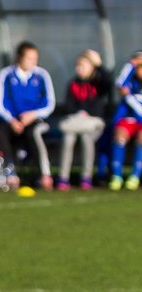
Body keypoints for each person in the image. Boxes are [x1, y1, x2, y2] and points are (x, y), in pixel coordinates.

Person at [0, 41, 56, 190]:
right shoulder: (6, 75)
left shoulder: (41, 75)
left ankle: (44, 174)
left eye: (35, 58)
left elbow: (49, 103)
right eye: (29, 58)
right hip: (11, 120)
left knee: (34, 133)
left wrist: (33, 115)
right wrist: (12, 120)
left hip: (34, 120)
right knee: (0, 133)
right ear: (19, 57)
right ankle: (9, 172)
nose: (33, 62)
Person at [55, 51, 109, 190]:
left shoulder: (98, 83)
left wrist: (99, 65)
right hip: (76, 122)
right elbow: (68, 106)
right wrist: (79, 112)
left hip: (94, 123)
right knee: (68, 138)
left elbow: (108, 82)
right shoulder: (72, 84)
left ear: (91, 67)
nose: (79, 69)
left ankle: (86, 177)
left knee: (86, 138)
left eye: (83, 65)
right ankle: (63, 177)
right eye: (78, 65)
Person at [107, 49, 142, 191]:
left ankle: (135, 176)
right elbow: (120, 83)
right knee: (120, 137)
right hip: (128, 119)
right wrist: (131, 64)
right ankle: (117, 176)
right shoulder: (130, 82)